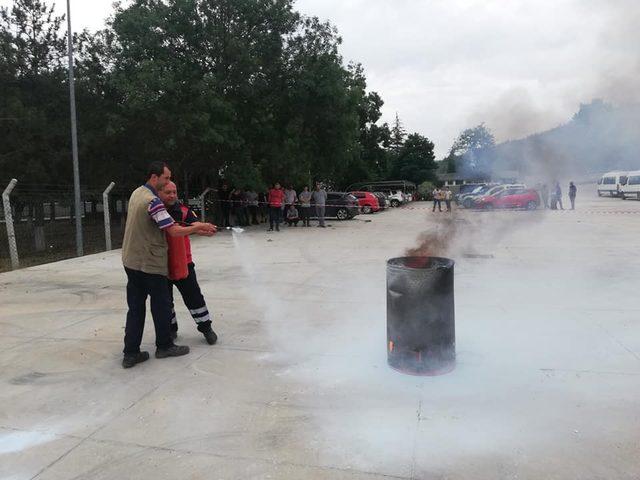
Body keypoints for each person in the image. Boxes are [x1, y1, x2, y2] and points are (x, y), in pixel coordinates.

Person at [121, 162, 216, 368]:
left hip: (132, 261)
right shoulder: (153, 201)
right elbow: (173, 230)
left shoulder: (137, 193)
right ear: (155, 178)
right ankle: (164, 345)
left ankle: (130, 353)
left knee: (135, 308)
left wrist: (197, 228)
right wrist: (198, 227)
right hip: (151, 263)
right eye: (166, 179)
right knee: (162, 305)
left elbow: (179, 224)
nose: (169, 185)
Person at [158, 181, 218, 345]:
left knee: (194, 298)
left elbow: (194, 223)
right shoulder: (156, 211)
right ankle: (171, 330)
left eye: (174, 192)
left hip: (184, 262)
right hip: (160, 265)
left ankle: (206, 328)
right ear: (160, 193)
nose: (172, 195)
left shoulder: (183, 210)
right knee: (165, 301)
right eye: (168, 192)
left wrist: (204, 229)